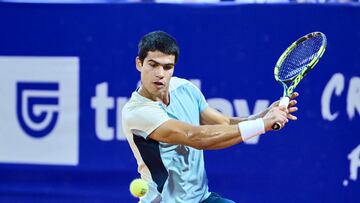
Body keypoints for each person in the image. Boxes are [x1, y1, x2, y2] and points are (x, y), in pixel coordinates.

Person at [122, 30, 299, 203]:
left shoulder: (185, 89)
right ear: (139, 63)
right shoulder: (137, 112)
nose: (160, 73)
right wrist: (263, 124)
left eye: (167, 67)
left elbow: (224, 122)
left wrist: (264, 114)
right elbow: (197, 137)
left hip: (202, 198)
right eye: (153, 65)